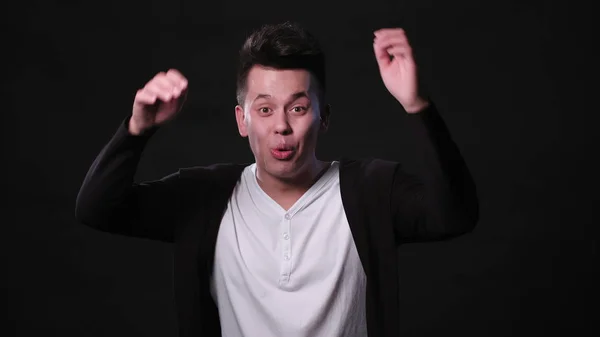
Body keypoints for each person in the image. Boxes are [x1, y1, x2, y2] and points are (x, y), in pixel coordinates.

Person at [75, 22, 479, 337]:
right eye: (265, 110)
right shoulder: (204, 197)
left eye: (298, 108)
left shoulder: (369, 190)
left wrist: (417, 105)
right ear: (242, 120)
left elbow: (455, 216)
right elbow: (97, 209)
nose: (281, 127)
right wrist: (137, 129)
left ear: (324, 118)